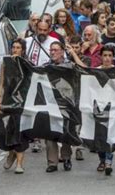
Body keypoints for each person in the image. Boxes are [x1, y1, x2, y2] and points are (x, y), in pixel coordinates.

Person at [0, 39, 29, 174]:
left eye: (18, 48)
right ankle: (11, 154)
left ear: (23, 50)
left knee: (19, 133)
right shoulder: (5, 63)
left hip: (21, 102)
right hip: (7, 100)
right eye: (13, 47)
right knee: (5, 131)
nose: (15, 50)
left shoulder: (26, 64)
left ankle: (20, 164)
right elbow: (2, 83)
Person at [44, 41, 73, 173]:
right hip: (50, 103)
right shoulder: (45, 66)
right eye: (51, 50)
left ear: (62, 51)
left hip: (66, 103)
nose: (53, 52)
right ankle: (52, 162)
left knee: (66, 132)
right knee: (49, 133)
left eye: (56, 50)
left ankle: (66, 157)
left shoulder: (69, 66)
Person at [96, 45, 115, 175]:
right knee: (100, 135)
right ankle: (102, 159)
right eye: (105, 55)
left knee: (111, 135)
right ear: (101, 57)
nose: (107, 58)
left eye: (110, 56)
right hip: (99, 107)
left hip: (114, 107)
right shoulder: (96, 71)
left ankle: (109, 161)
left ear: (113, 57)